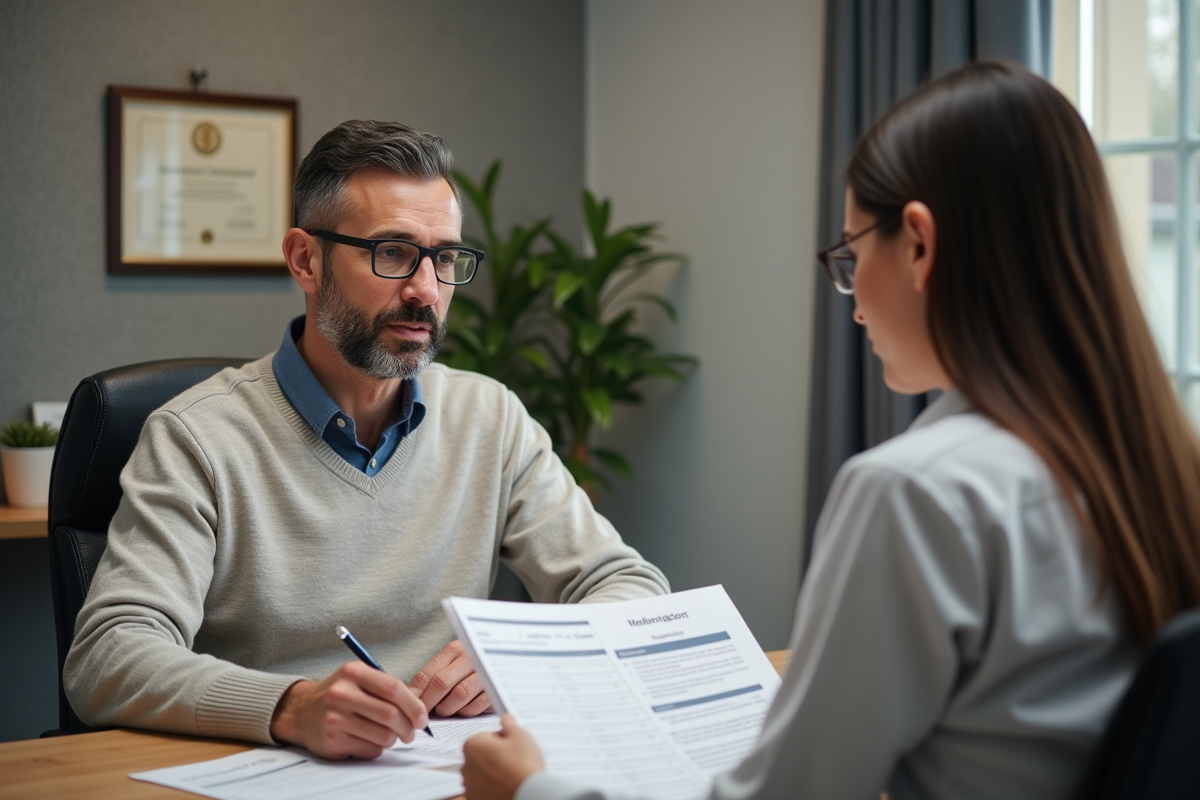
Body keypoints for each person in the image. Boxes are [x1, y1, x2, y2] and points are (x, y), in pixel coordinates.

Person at [460, 61, 1200, 800]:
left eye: (849, 255)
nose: (851, 304)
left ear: (918, 243)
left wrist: (528, 790)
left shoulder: (915, 493)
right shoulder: (1161, 464)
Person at [64, 120, 669, 760]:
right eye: (392, 252)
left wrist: (517, 655)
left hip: (443, 769)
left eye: (444, 258)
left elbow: (628, 586)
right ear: (306, 260)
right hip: (273, 774)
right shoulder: (198, 437)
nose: (426, 290)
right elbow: (108, 655)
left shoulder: (489, 416)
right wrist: (291, 707)